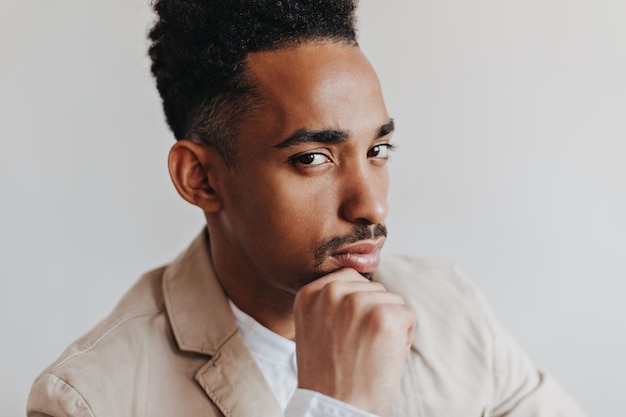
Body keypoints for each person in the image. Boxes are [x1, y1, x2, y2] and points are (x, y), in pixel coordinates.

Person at [27, 1, 586, 416]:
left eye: (378, 150)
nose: (373, 203)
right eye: (314, 158)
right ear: (199, 178)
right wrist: (336, 406)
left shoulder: (449, 306)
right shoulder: (87, 399)